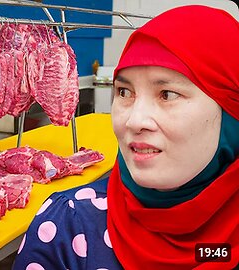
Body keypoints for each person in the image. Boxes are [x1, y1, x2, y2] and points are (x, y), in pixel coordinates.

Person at [13, 5, 238, 269]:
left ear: (231, 114)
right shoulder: (69, 225)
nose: (134, 121)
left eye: (167, 94)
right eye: (124, 92)